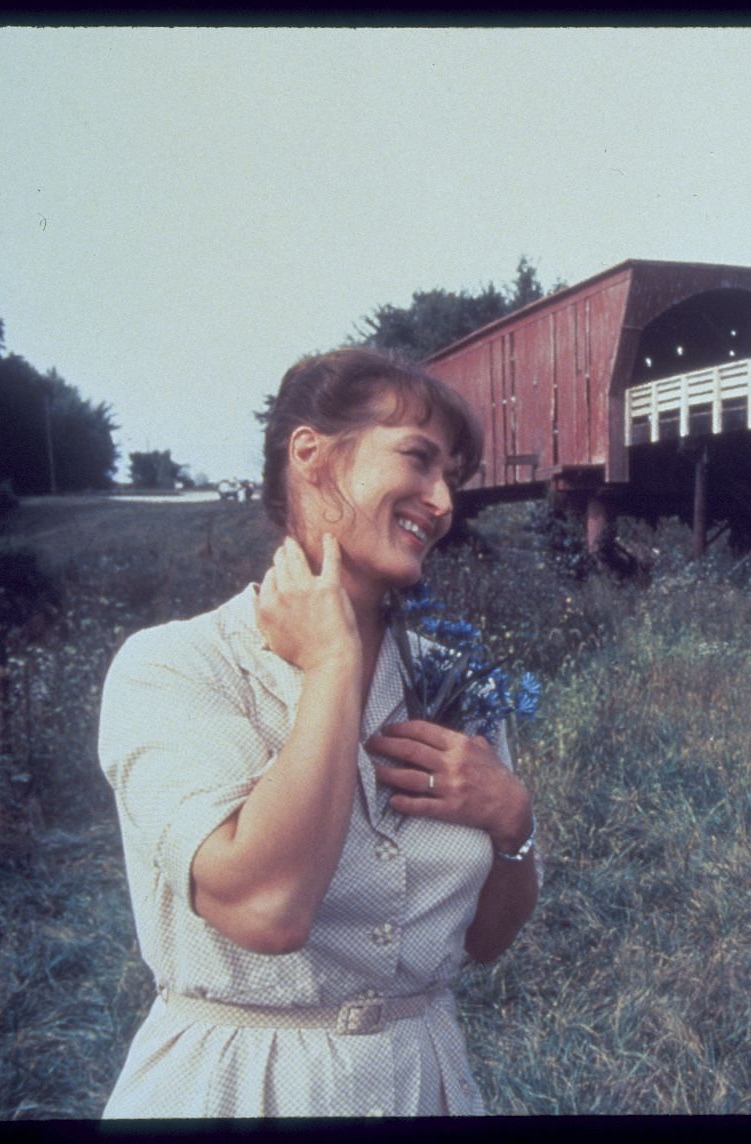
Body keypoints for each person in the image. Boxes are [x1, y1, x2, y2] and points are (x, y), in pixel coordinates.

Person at [97, 347, 540, 1117]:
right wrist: (333, 663)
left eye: (453, 480)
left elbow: (485, 943)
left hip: (422, 1086)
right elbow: (268, 909)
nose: (441, 503)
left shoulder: (455, 681)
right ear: (312, 455)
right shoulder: (174, 667)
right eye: (418, 459)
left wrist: (514, 824)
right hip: (237, 1089)